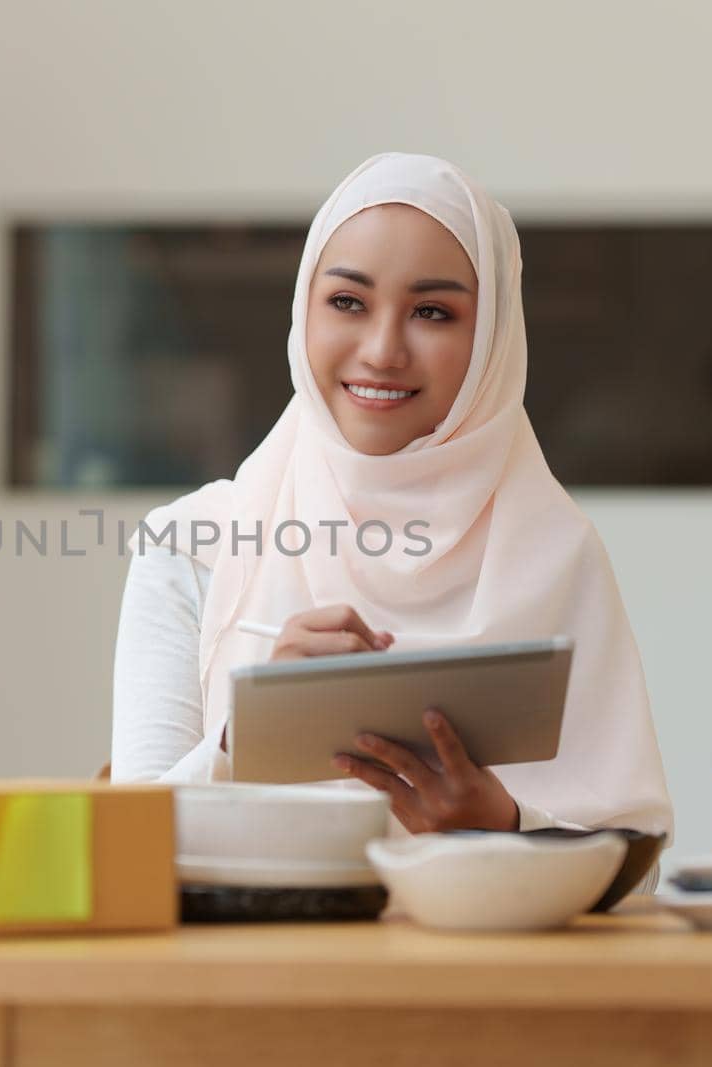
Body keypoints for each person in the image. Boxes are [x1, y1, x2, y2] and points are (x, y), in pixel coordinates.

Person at [110, 152, 672, 843]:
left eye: (432, 312)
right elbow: (127, 846)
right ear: (304, 310)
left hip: (480, 953)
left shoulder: (554, 552)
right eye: (347, 301)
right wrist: (245, 738)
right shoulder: (192, 546)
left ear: (492, 337)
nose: (381, 350)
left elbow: (635, 866)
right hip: (255, 956)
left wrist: (505, 823)